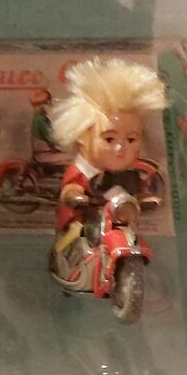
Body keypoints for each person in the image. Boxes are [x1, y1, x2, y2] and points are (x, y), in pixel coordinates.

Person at [51, 59, 168, 258]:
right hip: (83, 221)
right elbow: (70, 190)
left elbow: (131, 193)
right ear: (83, 136)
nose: (120, 149)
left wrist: (142, 200)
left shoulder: (128, 174)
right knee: (73, 241)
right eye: (109, 139)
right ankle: (65, 261)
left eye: (131, 140)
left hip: (116, 223)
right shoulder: (82, 171)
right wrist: (75, 196)